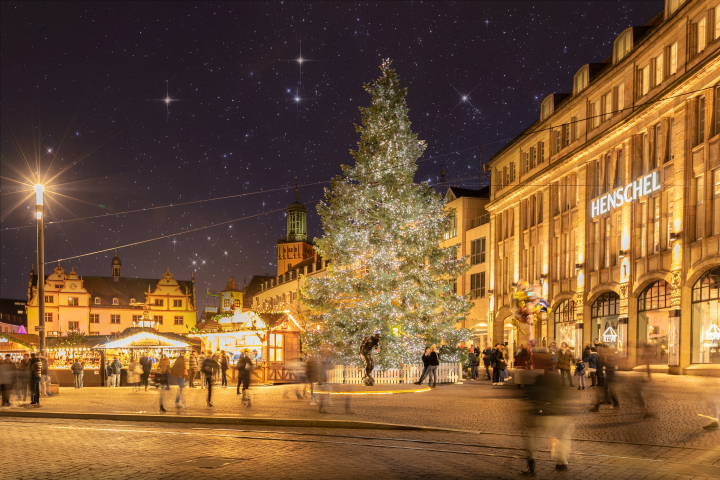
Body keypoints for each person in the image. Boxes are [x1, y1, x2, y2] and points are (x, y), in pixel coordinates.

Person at [520, 367, 572, 475]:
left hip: (541, 415)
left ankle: (531, 465)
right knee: (565, 433)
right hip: (558, 414)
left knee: (529, 434)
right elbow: (562, 396)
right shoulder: (557, 381)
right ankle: (563, 462)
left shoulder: (538, 380)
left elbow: (529, 395)